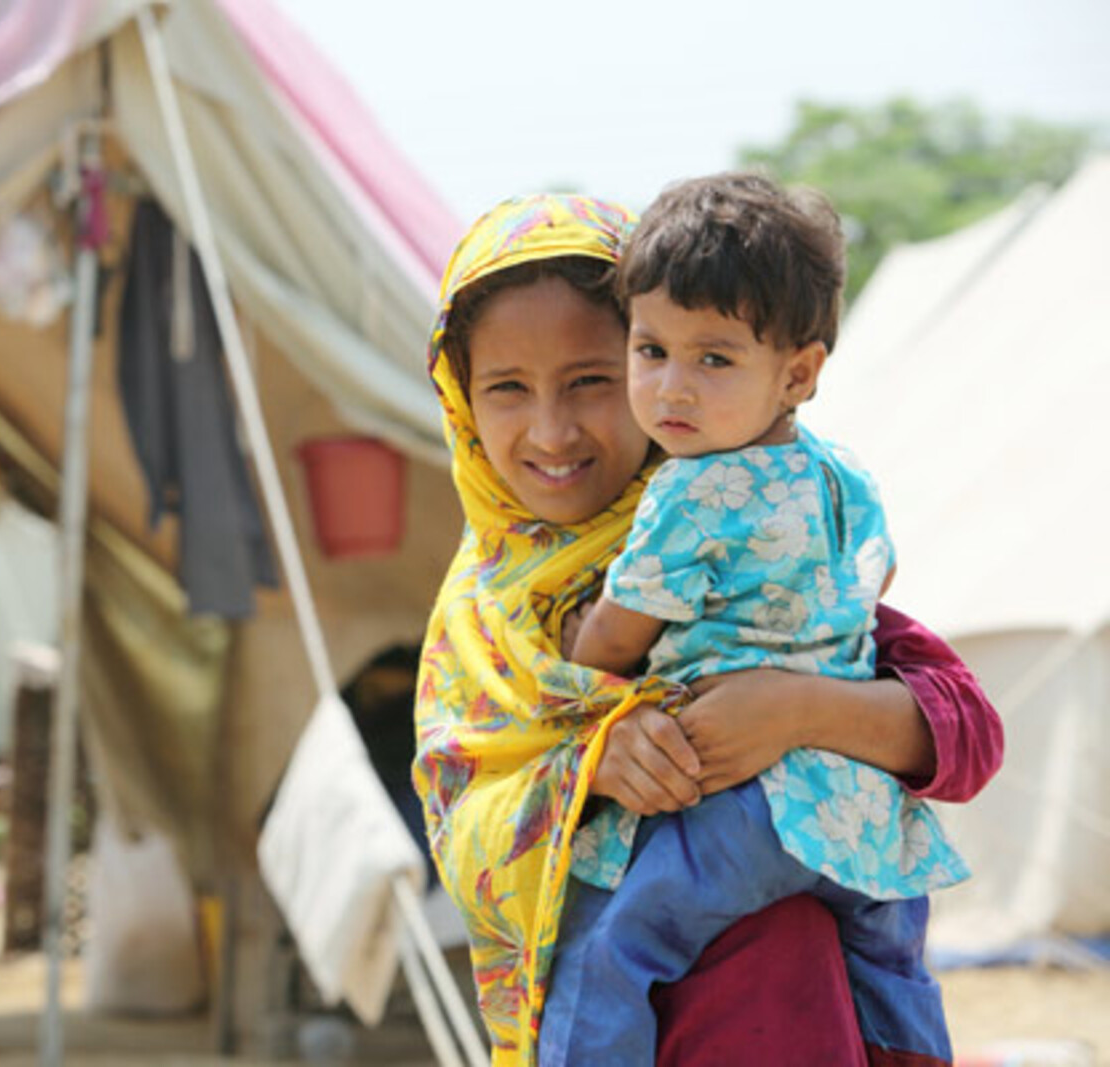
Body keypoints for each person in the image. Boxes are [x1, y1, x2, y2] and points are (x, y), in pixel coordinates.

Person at [412, 193, 1003, 1065]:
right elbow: (461, 816)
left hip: (791, 1010)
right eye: (506, 388)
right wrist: (589, 763)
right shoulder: (481, 620)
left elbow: (970, 734)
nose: (551, 429)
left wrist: (795, 710)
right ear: (461, 402)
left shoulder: (759, 532)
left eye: (593, 378)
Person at [552, 172, 964, 1063]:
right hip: (860, 816)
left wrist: (572, 633)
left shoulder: (691, 488)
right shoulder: (840, 472)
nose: (671, 389)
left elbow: (615, 640)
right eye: (650, 349)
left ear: (800, 372)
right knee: (895, 975)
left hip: (745, 813)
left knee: (611, 947)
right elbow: (877, 569)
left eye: (713, 358)